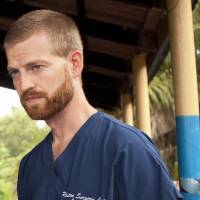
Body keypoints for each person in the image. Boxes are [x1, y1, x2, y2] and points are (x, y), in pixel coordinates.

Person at [4, 9, 182, 200]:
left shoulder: (127, 148)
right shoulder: (30, 166)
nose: (24, 84)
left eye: (36, 67)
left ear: (75, 63)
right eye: (15, 72)